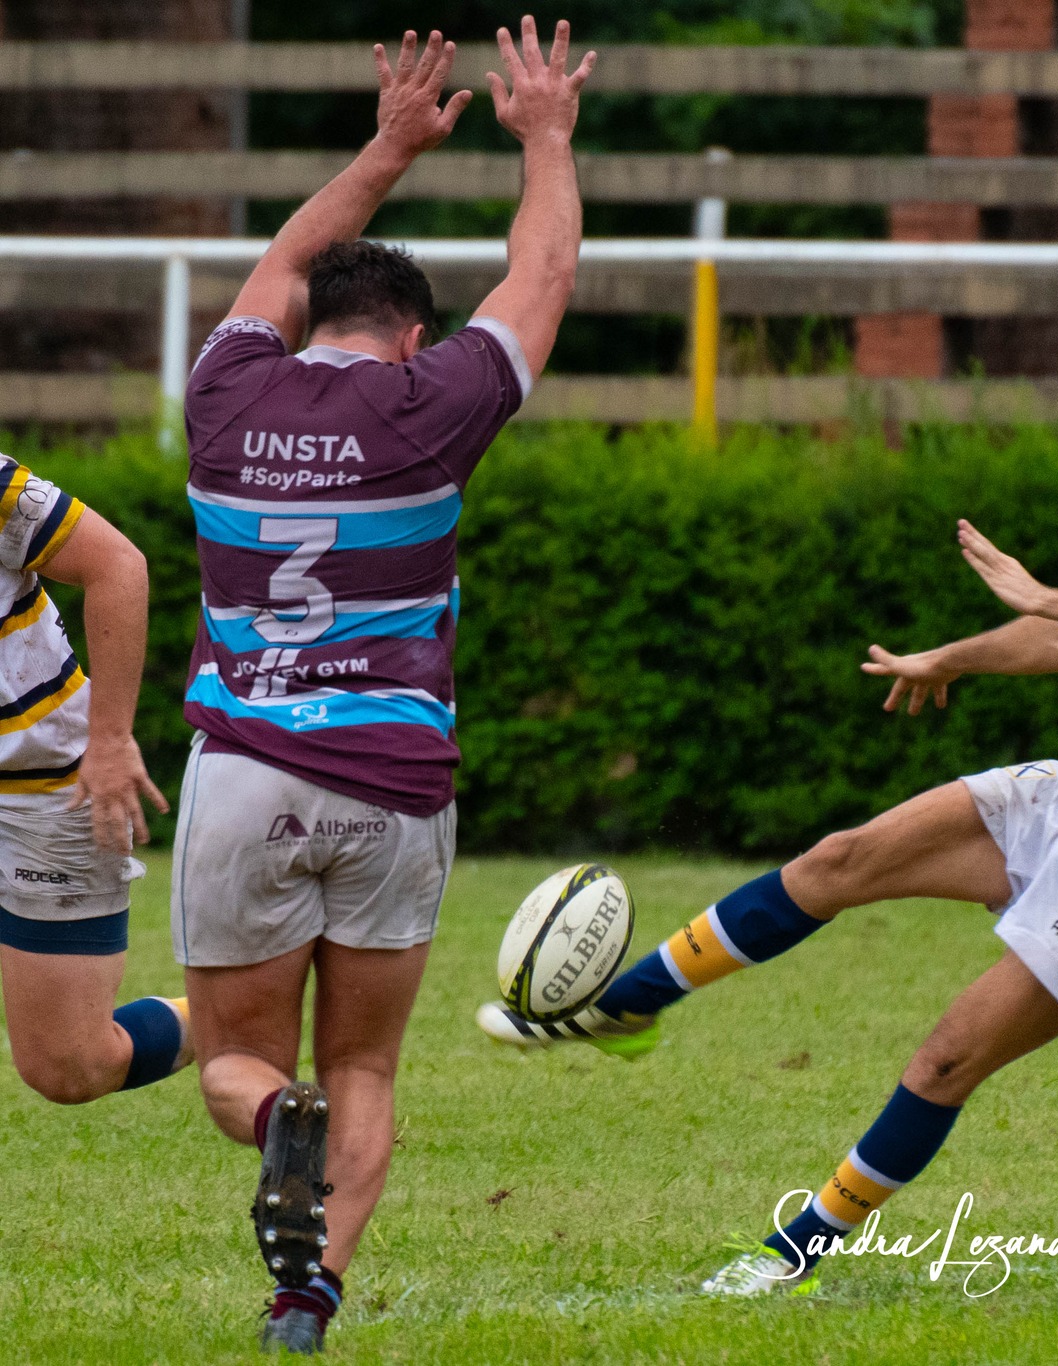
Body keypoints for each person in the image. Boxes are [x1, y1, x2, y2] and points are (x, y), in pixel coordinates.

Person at [477, 423, 1058, 1296]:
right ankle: (628, 1007)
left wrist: (1045, 594)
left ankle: (797, 1253)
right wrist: (952, 659)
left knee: (946, 1060)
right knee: (839, 860)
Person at [174, 19, 592, 1353]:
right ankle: (307, 1296)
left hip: (243, 775)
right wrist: (546, 137)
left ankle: (269, 1127)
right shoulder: (437, 402)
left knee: (239, 1061)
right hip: (396, 787)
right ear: (413, 336)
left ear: (302, 323)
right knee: (364, 1065)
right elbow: (544, 269)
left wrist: (391, 144)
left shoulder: (225, 389)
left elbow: (286, 258)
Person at [0, 454, 183, 1104]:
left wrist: (109, 741)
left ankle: (241, 1015)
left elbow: (117, 566)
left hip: (43, 784)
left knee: (71, 1065)